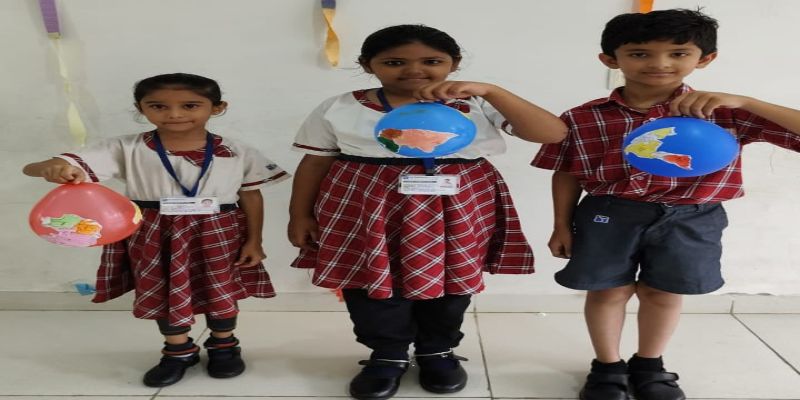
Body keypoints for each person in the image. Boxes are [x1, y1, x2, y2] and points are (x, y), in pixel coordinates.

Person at [531, 9, 800, 400]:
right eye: (640, 53)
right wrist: (561, 223)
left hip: (693, 217)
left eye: (678, 53)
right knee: (607, 292)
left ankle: (649, 365)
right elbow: (567, 171)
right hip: (609, 213)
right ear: (610, 59)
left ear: (705, 58)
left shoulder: (725, 113)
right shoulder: (583, 117)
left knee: (664, 293)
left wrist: (747, 100)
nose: (659, 63)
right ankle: (607, 367)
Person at [288, 24, 567, 400]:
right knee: (369, 279)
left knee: (453, 278)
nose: (414, 70)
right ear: (368, 65)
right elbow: (315, 163)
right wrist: (300, 215)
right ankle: (387, 354)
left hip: (459, 203)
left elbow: (552, 133)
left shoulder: (476, 104)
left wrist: (492, 90)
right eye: (394, 62)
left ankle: (437, 350)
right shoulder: (340, 106)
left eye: (432, 61)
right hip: (366, 207)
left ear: (454, 63)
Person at [23, 73, 289, 387]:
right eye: (158, 106)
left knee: (220, 288)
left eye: (190, 105)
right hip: (153, 231)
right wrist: (54, 168)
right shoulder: (125, 147)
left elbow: (250, 195)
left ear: (217, 108)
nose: (174, 114)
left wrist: (254, 241)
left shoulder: (237, 150)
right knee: (163, 288)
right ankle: (178, 351)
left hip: (219, 230)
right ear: (141, 108)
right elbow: (34, 167)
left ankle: (224, 345)